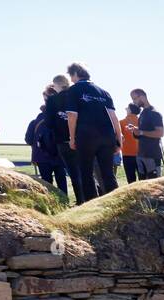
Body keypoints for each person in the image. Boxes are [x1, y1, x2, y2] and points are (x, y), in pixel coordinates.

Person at [63, 62, 123, 203]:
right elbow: (114, 117)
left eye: (71, 76)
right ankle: (116, 203)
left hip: (86, 136)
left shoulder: (74, 90)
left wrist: (72, 138)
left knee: (86, 172)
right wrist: (118, 139)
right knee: (108, 173)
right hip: (107, 136)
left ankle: (91, 203)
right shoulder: (103, 92)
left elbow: (72, 116)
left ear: (76, 74)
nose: (71, 79)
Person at [44, 74, 84, 204]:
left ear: (56, 85)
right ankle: (90, 198)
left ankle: (80, 200)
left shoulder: (52, 100)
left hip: (63, 140)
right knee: (85, 170)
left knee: (73, 173)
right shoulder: (78, 96)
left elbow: (48, 123)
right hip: (80, 138)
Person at [26, 86, 69, 194]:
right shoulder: (63, 117)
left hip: (42, 156)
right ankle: (65, 201)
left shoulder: (35, 121)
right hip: (59, 154)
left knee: (46, 183)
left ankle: (52, 204)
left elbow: (28, 139)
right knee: (61, 181)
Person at [129, 88, 164, 180]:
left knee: (154, 187)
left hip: (152, 156)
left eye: (134, 98)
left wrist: (141, 132)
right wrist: (135, 131)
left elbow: (160, 133)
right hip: (141, 155)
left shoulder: (155, 113)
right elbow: (142, 134)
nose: (134, 101)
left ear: (143, 97)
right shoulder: (142, 114)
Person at [119, 103, 140, 184]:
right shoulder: (141, 121)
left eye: (127, 108)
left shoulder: (121, 122)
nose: (125, 108)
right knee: (143, 179)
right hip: (140, 154)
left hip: (127, 154)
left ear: (130, 110)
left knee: (131, 180)